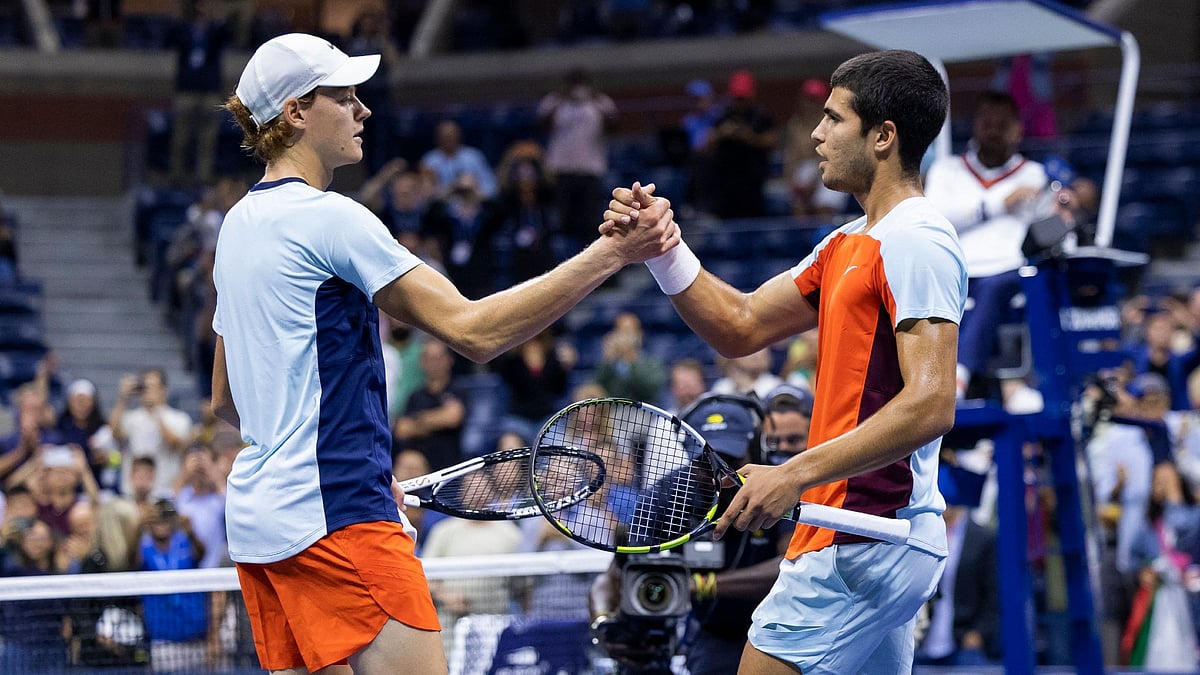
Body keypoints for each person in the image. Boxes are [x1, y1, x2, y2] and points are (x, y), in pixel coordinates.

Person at [212, 32, 677, 674]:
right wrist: (613, 254)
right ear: (295, 112)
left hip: (260, 526)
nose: (362, 110)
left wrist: (335, 456)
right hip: (337, 516)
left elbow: (225, 400)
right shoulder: (330, 219)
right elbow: (475, 332)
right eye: (344, 98)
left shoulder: (234, 228)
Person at [605, 49, 966, 674]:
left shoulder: (917, 240)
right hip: (868, 536)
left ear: (883, 137)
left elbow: (931, 404)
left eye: (834, 119)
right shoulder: (848, 243)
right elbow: (740, 325)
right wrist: (664, 248)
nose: (816, 135)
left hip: (861, 537)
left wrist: (792, 473)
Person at [924, 90, 1088, 403]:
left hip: (1009, 271)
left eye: (1002, 124)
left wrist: (1066, 215)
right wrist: (999, 204)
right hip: (955, 271)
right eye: (987, 123)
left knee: (998, 286)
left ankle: (961, 377)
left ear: (1017, 130)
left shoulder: (1036, 175)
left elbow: (1055, 234)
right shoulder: (947, 170)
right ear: (975, 125)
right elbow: (935, 218)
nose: (993, 131)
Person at [538, 68, 619, 261]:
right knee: (564, 219)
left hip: (590, 168)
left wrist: (593, 99)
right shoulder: (555, 101)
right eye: (573, 83)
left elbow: (614, 125)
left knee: (590, 219)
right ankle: (563, 259)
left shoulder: (600, 101)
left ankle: (592, 259)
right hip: (561, 169)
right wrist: (562, 98)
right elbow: (541, 124)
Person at [166, 0, 232, 185]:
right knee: (180, 137)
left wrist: (218, 17)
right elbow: (169, 39)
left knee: (207, 138)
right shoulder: (184, 30)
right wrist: (177, 16)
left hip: (209, 90)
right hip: (186, 90)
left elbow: (228, 35)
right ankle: (177, 175)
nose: (201, 16)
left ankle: (203, 177)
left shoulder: (215, 31)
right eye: (198, 13)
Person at [109, 368, 194, 498]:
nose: (148, 391)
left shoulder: (179, 418)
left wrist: (156, 412)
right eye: (145, 387)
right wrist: (123, 398)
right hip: (133, 493)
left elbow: (175, 444)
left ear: (164, 390)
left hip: (165, 491)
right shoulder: (132, 418)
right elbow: (115, 433)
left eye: (152, 386)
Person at [706, 69, 778, 219]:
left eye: (743, 98)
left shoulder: (760, 115)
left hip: (753, 180)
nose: (740, 102)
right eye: (737, 98)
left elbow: (772, 141)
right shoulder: (723, 115)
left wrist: (749, 137)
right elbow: (705, 146)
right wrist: (722, 133)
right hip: (726, 181)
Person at [392, 339, 467, 471]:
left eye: (437, 358)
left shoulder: (457, 390)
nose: (433, 363)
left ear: (449, 360)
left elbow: (453, 417)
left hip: (449, 463)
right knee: (407, 461)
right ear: (422, 362)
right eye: (428, 358)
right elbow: (402, 429)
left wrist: (418, 422)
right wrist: (437, 420)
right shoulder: (415, 396)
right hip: (418, 461)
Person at [419, 119, 499, 199]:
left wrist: (474, 189)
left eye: (451, 135)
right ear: (437, 138)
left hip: (472, 201)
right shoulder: (430, 160)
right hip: (442, 202)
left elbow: (492, 188)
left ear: (459, 136)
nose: (448, 139)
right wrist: (452, 188)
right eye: (444, 136)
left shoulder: (473, 156)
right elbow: (425, 194)